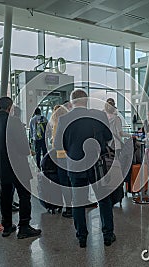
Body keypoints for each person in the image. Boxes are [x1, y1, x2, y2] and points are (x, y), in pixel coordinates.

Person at [54, 89, 115, 248]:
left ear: (71, 102)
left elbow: (57, 145)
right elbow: (109, 137)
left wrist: (72, 150)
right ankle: (108, 235)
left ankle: (82, 237)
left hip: (75, 165)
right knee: (104, 199)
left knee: (78, 202)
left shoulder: (64, 118)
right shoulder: (99, 115)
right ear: (86, 100)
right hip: (96, 164)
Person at [0, 97, 41, 239]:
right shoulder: (15, 122)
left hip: (1, 167)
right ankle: (24, 227)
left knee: (5, 196)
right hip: (18, 166)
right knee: (24, 195)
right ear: (10, 107)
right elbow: (24, 148)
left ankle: (7, 226)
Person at [50, 104, 72, 218]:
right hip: (71, 156)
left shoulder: (56, 125)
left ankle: (68, 207)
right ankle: (74, 205)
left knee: (64, 182)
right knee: (71, 181)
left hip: (61, 157)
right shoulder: (70, 123)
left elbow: (55, 144)